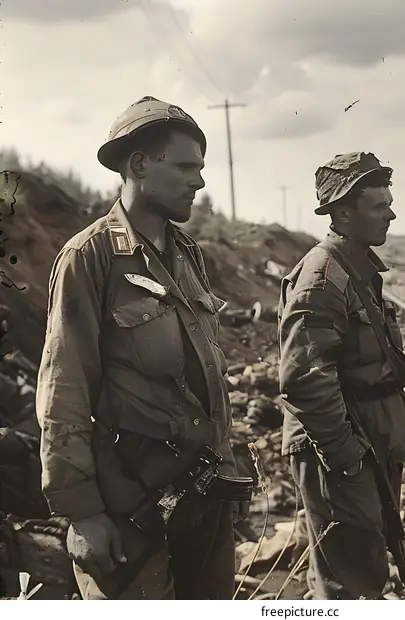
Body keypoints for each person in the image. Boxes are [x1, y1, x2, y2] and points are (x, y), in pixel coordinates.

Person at [36, 96, 251, 600]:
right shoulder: (88, 259)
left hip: (203, 500)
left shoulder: (187, 254)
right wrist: (84, 514)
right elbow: (64, 391)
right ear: (138, 166)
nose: (199, 181)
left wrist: (229, 464)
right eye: (184, 167)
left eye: (200, 168)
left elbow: (207, 373)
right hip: (130, 512)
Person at [277, 152, 405, 600]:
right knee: (348, 572)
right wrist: (344, 456)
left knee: (367, 553)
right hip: (339, 439)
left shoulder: (355, 265)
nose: (392, 213)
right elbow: (304, 379)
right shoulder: (323, 278)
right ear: (343, 212)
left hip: (366, 431)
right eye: (380, 205)